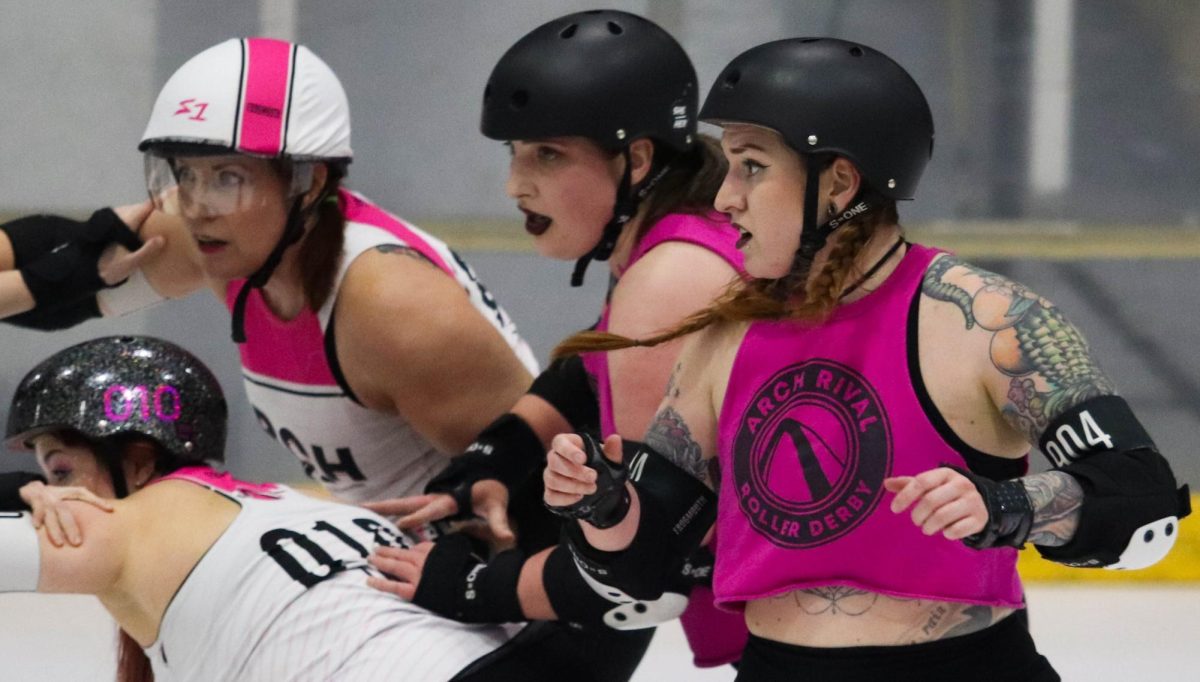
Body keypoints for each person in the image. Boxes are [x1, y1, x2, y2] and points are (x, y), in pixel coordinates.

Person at [540, 38, 1191, 681]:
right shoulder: (724, 340)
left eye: (752, 166)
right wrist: (601, 504)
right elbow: (646, 568)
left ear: (839, 183)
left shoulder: (987, 321)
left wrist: (1005, 506)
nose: (724, 199)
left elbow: (1145, 504)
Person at [362, 9, 749, 677]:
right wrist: (489, 463)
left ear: (638, 159)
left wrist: (468, 585)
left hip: (828, 640)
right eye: (513, 152)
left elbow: (641, 568)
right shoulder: (687, 235)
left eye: (548, 153)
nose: (516, 184)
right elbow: (589, 371)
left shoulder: (670, 280)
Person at [1, 37, 538, 506]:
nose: (196, 205)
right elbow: (46, 282)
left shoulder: (392, 303)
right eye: (185, 173)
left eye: (228, 177)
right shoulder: (220, 236)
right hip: (386, 556)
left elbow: (539, 487)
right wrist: (61, 273)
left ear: (308, 183)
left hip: (478, 580)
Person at [0, 336, 519, 682]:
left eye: (61, 472)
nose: (51, 494)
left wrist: (9, 491)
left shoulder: (117, 526)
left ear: (138, 464)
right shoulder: (307, 505)